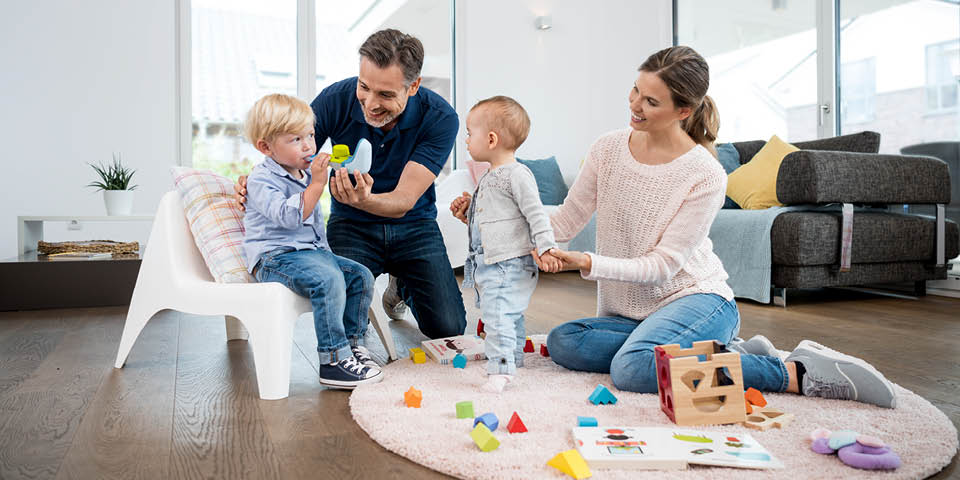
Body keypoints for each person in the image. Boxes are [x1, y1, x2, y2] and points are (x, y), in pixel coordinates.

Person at [534, 46, 897, 408]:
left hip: (696, 300)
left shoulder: (703, 172)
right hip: (631, 314)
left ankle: (795, 373)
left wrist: (586, 262)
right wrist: (491, 215)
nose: (634, 105)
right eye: (635, 91)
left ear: (684, 110)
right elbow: (566, 219)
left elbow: (663, 266)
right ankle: (721, 351)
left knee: (632, 369)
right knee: (566, 341)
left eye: (651, 101)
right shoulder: (607, 148)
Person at [235, 29, 466, 340]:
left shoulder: (440, 118)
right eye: (364, 87)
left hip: (414, 225)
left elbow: (403, 200)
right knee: (344, 318)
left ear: (413, 87)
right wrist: (256, 180)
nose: (370, 104)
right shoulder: (336, 99)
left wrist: (363, 199)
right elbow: (287, 149)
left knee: (448, 328)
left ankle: (402, 285)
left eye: (385, 95)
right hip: (352, 226)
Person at [241, 93, 381, 389]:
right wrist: (318, 184)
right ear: (266, 147)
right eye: (295, 139)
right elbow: (290, 218)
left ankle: (353, 347)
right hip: (275, 258)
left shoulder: (305, 173)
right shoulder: (261, 180)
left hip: (310, 254)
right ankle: (332, 360)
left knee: (360, 276)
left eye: (311, 135)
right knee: (329, 279)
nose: (309, 145)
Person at [449, 96, 562, 393]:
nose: (466, 140)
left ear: (491, 139)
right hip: (492, 260)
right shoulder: (490, 175)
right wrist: (471, 207)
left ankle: (500, 370)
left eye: (470, 134)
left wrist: (547, 247)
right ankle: (512, 358)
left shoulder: (517, 174)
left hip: (508, 262)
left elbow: (535, 213)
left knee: (498, 314)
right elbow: (497, 215)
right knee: (507, 312)